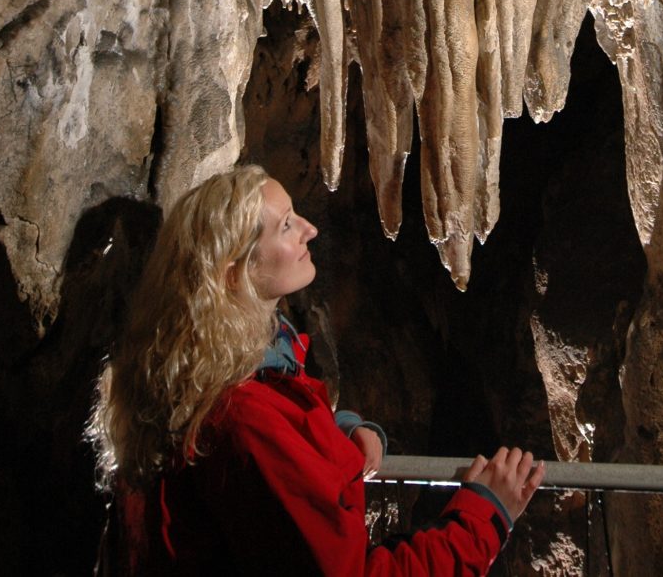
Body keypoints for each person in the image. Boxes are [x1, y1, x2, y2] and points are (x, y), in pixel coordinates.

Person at [87, 164, 545, 574]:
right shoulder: (242, 417)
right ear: (234, 274)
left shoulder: (199, 377)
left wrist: (331, 435)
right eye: (286, 225)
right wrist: (484, 515)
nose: (309, 229)